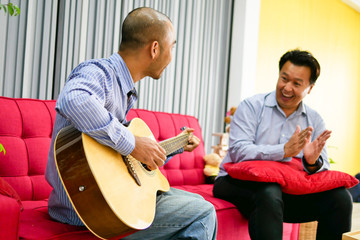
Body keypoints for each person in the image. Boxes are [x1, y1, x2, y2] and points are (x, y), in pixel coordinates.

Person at [45, 7, 217, 240]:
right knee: (204, 212)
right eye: (172, 47)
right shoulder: (100, 73)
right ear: (155, 49)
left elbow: (120, 159)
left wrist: (175, 146)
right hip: (87, 209)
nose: (172, 56)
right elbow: (73, 100)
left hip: (105, 201)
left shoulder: (124, 91)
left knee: (197, 201)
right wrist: (132, 143)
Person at [213, 49, 353, 240]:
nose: (287, 88)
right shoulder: (251, 106)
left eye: (297, 84)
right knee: (269, 192)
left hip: (283, 192)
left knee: (341, 199)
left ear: (309, 88)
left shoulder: (314, 120)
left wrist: (311, 163)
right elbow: (237, 151)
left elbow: (323, 167)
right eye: (284, 79)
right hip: (234, 183)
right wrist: (284, 150)